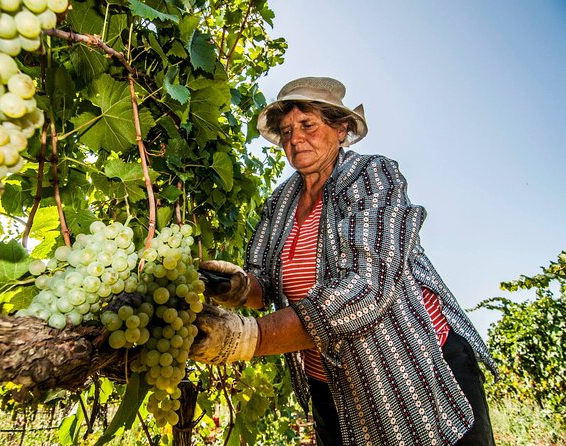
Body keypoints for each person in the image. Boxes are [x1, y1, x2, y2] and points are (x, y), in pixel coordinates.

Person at [190, 76, 498, 446]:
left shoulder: (371, 177)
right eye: (286, 130)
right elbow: (265, 286)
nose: (294, 138)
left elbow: (365, 289)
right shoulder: (281, 201)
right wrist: (238, 288)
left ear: (341, 129)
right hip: (331, 383)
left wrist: (250, 338)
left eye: (307, 125)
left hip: (410, 370)